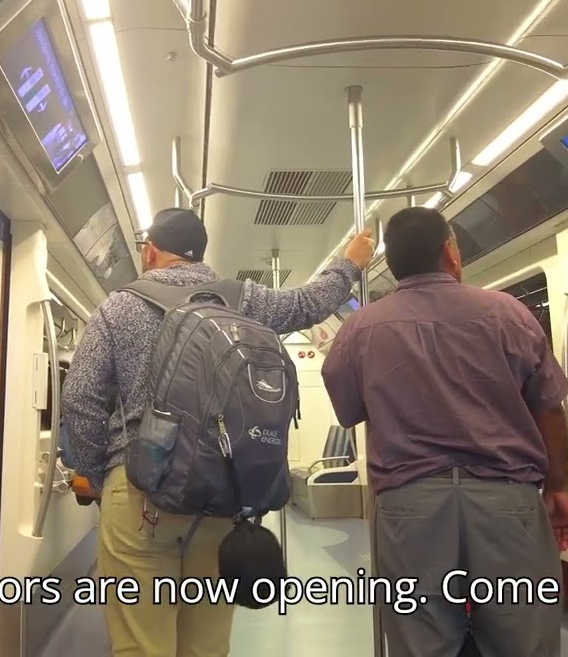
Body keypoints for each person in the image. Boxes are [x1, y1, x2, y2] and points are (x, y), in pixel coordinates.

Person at [62, 207, 376, 656]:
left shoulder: (119, 307)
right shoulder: (244, 300)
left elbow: (81, 398)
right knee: (206, 646)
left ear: (150, 252)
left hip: (136, 493)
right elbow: (308, 303)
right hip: (218, 494)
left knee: (140, 644)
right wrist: (350, 262)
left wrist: (98, 477)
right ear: (201, 254)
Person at [321, 206, 568, 657]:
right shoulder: (509, 314)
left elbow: (349, 410)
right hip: (507, 501)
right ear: (450, 252)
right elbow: (549, 409)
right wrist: (557, 487)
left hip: (409, 506)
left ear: (392, 265)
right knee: (524, 638)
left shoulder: (359, 328)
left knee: (421, 641)